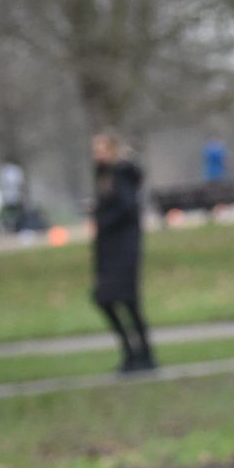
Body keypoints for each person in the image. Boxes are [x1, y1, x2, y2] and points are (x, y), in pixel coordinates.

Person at [90, 133, 154, 373]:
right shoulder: (104, 175)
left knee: (128, 302)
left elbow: (127, 208)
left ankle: (144, 354)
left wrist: (103, 219)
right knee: (107, 300)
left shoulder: (120, 175)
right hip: (109, 250)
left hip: (123, 250)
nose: (97, 155)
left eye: (101, 150)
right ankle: (132, 353)